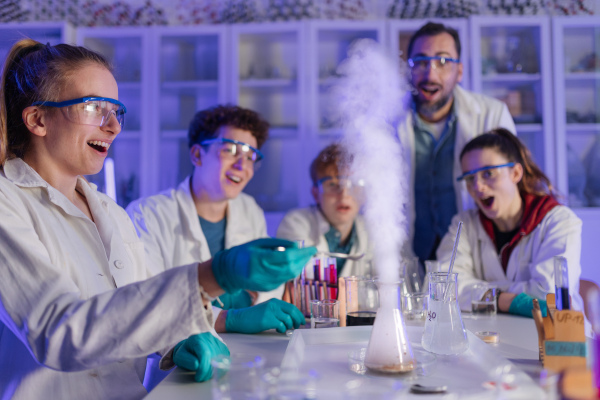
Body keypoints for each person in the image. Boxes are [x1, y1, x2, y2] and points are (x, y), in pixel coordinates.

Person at [0, 40, 315, 399]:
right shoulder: (7, 203)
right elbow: (59, 333)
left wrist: (175, 341)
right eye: (93, 107)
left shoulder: (111, 213)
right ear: (38, 119)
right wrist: (214, 274)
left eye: (116, 110)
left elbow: (138, 304)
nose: (113, 126)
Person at [126, 105, 305, 335]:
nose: (242, 165)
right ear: (197, 154)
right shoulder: (147, 215)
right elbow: (145, 303)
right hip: (175, 362)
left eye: (251, 156)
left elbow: (266, 289)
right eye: (230, 150)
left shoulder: (250, 210)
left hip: (247, 352)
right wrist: (229, 318)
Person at [399, 22, 516, 269]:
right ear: (408, 70)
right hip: (406, 255)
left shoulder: (491, 115)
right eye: (420, 62)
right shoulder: (386, 121)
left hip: (473, 255)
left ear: (459, 71)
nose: (430, 74)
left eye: (443, 62)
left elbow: (509, 192)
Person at [436, 128, 584, 318]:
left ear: (515, 173)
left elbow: (548, 295)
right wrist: (505, 299)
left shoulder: (559, 221)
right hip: (496, 335)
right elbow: (443, 287)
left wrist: (481, 292)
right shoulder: (464, 224)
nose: (477, 187)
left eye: (488, 174)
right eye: (470, 178)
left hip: (558, 339)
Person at [277, 143, 373, 277]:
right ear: (316, 194)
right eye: (333, 184)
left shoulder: (372, 230)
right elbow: (303, 279)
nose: (344, 194)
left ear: (363, 193)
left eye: (353, 184)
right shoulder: (296, 223)